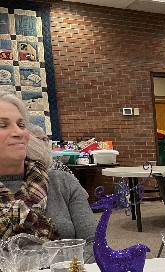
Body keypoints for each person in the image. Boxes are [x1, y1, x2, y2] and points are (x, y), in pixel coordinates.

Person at [0, 93, 96, 261]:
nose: (18, 132)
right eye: (3, 125)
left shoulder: (63, 183)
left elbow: (95, 245)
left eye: (21, 125)